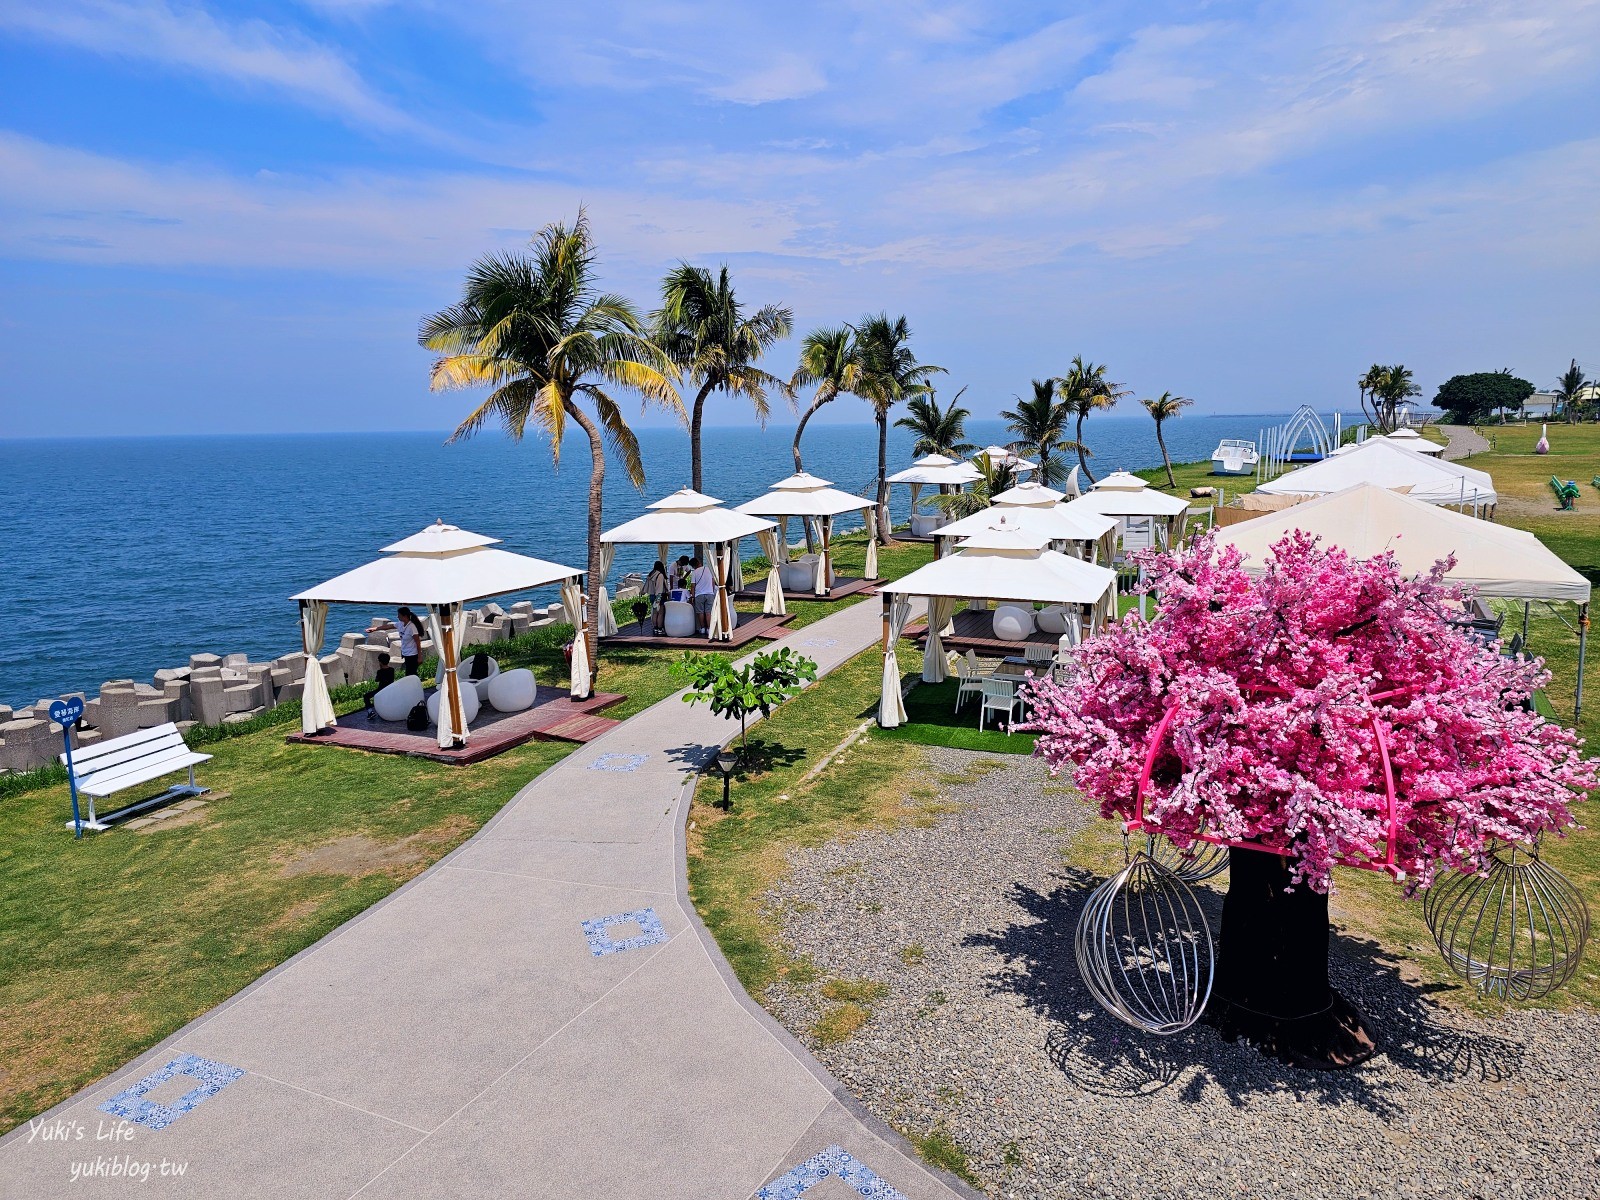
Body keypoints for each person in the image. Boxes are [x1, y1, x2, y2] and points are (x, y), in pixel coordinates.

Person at [689, 554, 717, 635]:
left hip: (699, 595)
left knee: (700, 612)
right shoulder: (709, 569)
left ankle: (702, 628)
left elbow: (693, 586)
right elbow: (713, 582)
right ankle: (709, 628)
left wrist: (692, 596)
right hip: (709, 593)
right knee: (708, 612)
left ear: (692, 566)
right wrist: (711, 591)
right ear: (699, 562)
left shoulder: (694, 573)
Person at [396, 607, 425, 676]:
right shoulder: (401, 623)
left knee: (411, 674)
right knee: (410, 673)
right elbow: (389, 626)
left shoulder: (412, 627)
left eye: (399, 615)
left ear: (404, 616)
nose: (397, 616)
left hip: (412, 655)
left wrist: (420, 657)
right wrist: (375, 628)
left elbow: (418, 642)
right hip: (406, 654)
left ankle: (415, 685)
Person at [646, 559, 670, 634]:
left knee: (655, 613)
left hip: (652, 595)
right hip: (659, 596)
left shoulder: (650, 574)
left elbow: (646, 586)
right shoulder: (660, 575)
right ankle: (660, 629)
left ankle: (655, 628)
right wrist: (658, 599)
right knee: (660, 613)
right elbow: (659, 588)